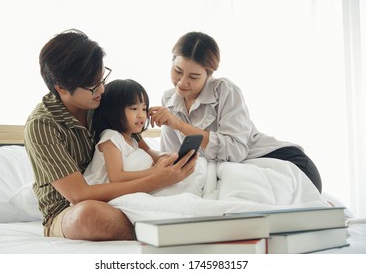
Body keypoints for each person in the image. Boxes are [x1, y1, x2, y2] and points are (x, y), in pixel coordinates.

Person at [24, 29, 198, 241]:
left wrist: (160, 158)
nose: (102, 89)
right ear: (61, 88)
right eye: (93, 86)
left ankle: (173, 220)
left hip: (125, 195)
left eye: (102, 78)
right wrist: (156, 180)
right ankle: (166, 228)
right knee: (89, 216)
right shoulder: (42, 125)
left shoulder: (101, 101)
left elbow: (137, 143)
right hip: (70, 208)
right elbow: (79, 195)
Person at [149, 31, 322, 193]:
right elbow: (175, 157)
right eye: (177, 71)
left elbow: (236, 151)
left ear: (209, 74)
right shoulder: (169, 100)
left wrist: (179, 125)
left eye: (193, 77)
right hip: (240, 171)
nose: (182, 82)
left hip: (282, 161)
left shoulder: (225, 90)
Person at [84, 79, 205, 197]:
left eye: (144, 108)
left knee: (199, 166)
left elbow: (148, 153)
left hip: (133, 188)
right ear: (113, 111)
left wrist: (167, 158)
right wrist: (155, 172)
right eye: (134, 109)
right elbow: (116, 177)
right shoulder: (111, 137)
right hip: (108, 192)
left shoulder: (131, 139)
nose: (141, 115)